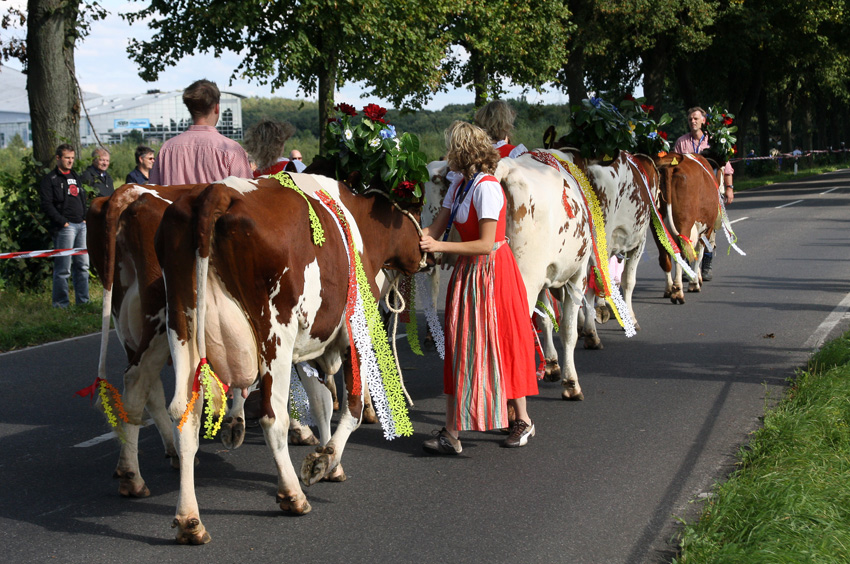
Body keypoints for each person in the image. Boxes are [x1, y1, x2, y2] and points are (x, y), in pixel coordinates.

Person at [419, 121, 538, 454]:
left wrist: (440, 249)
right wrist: (406, 235)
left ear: (462, 152)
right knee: (461, 348)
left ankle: (523, 419)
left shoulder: (486, 187)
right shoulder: (460, 184)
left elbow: (487, 244)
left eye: (450, 148)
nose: (446, 155)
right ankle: (452, 432)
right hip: (469, 274)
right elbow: (436, 228)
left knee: (503, 344)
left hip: (493, 273)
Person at [150, 79, 253, 184]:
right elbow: (247, 195)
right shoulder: (231, 150)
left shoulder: (167, 149)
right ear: (217, 108)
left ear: (190, 108)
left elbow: (153, 193)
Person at [673, 106, 735, 281]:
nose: (693, 121)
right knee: (685, 229)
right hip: (687, 195)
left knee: (709, 230)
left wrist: (729, 188)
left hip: (709, 194)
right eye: (690, 119)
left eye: (696, 118)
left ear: (703, 121)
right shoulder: (681, 143)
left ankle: (706, 262)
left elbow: (726, 167)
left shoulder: (715, 141)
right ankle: (687, 264)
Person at [38, 143, 89, 308]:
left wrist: (84, 218)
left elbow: (82, 198)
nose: (70, 161)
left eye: (72, 158)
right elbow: (46, 205)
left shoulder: (75, 175)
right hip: (65, 228)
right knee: (63, 268)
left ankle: (83, 302)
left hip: (81, 226)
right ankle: (61, 304)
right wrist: (63, 222)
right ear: (58, 158)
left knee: (83, 266)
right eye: (67, 158)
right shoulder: (50, 179)